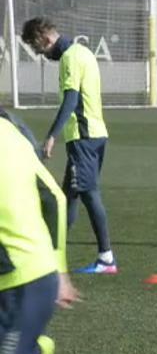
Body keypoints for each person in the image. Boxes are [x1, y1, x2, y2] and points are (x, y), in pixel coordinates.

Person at [0, 116, 144, 354]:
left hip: (20, 282)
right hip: (29, 274)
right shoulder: (10, 130)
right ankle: (33, 351)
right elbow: (54, 197)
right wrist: (59, 269)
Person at [21, 17, 117, 274]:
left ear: (44, 38)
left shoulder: (70, 58)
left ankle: (106, 258)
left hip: (83, 138)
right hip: (95, 134)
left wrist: (52, 135)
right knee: (67, 198)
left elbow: (71, 99)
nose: (41, 54)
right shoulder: (82, 52)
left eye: (38, 48)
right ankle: (50, 253)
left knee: (88, 193)